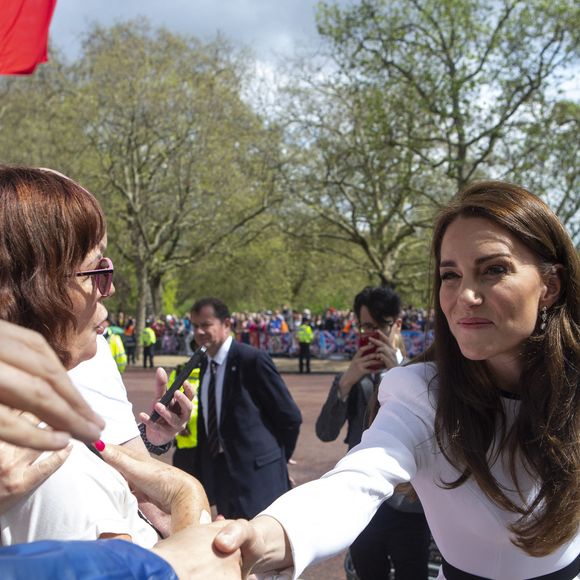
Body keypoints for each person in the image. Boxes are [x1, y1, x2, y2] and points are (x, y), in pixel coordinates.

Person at [196, 180, 580, 580]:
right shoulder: (421, 394)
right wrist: (265, 536)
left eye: (494, 270)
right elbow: (355, 480)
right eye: (450, 275)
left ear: (550, 285)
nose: (465, 295)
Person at [0, 166, 207, 547]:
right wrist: (188, 500)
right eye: (97, 269)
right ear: (39, 287)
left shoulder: (83, 363)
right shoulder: (55, 463)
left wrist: (152, 439)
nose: (107, 289)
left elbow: (122, 454)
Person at [316, 285, 431, 580]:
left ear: (397, 325)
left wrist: (401, 373)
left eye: (379, 326)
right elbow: (325, 432)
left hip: (409, 503)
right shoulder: (353, 375)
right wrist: (345, 384)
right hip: (363, 502)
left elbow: (431, 431)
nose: (372, 333)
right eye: (365, 326)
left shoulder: (421, 372)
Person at [188, 297, 303, 519]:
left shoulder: (252, 360)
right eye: (195, 326)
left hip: (259, 477)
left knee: (264, 545)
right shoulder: (204, 364)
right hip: (224, 478)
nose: (200, 332)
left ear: (227, 324)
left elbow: (290, 417)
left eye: (206, 325)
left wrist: (278, 458)